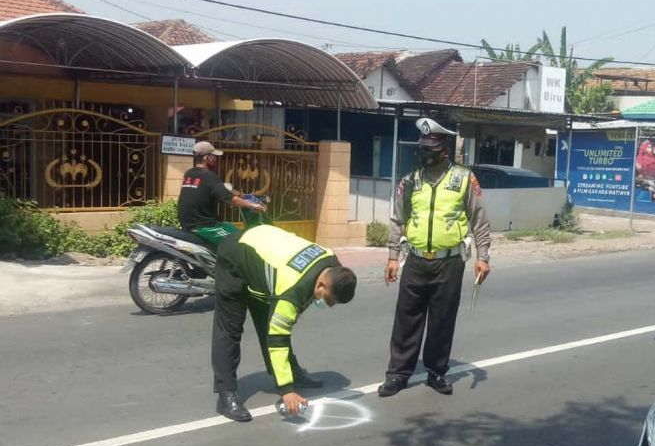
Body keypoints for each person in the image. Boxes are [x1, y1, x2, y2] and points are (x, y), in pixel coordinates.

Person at [378, 118, 491, 397]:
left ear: (444, 151)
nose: (425, 155)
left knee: (442, 319)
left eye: (431, 150)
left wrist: (483, 257)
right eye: (423, 149)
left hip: (449, 262)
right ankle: (398, 374)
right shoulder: (411, 180)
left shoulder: (464, 178)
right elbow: (398, 218)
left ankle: (436, 371)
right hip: (415, 261)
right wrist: (392, 256)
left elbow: (479, 219)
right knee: (406, 319)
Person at [211, 224, 357, 422]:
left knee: (271, 323)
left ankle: (291, 372)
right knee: (230, 329)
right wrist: (287, 391)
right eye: (328, 300)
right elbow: (278, 339)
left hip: (262, 251)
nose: (328, 306)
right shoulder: (291, 290)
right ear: (322, 284)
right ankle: (226, 394)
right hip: (235, 255)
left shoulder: (334, 266)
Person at [178, 140, 266, 247]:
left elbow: (205, 190)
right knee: (240, 241)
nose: (216, 159)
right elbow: (231, 199)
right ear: (206, 158)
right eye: (213, 156)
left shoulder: (189, 173)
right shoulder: (209, 176)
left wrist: (238, 194)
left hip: (187, 224)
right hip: (204, 226)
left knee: (228, 226)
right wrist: (252, 205)